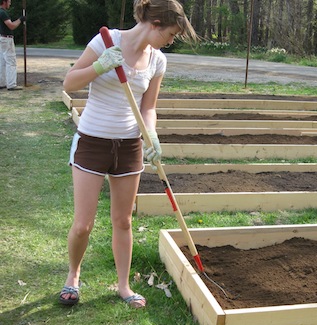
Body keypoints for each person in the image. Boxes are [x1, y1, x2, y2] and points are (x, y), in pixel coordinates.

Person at [59, 0, 197, 308]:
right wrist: (99, 66)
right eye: (171, 34)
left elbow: (148, 107)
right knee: (83, 224)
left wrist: (152, 136)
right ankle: (73, 277)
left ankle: (123, 286)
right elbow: (69, 82)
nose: (171, 41)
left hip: (129, 146)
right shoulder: (106, 43)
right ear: (156, 24)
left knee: (123, 221)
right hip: (92, 142)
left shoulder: (158, 61)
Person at [0, 0, 25, 91]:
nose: (10, 3)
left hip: (2, 38)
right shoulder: (3, 13)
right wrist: (20, 20)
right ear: (4, 2)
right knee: (11, 61)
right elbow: (11, 26)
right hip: (6, 39)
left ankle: (2, 83)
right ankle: (11, 84)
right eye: (9, 1)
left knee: (2, 61)